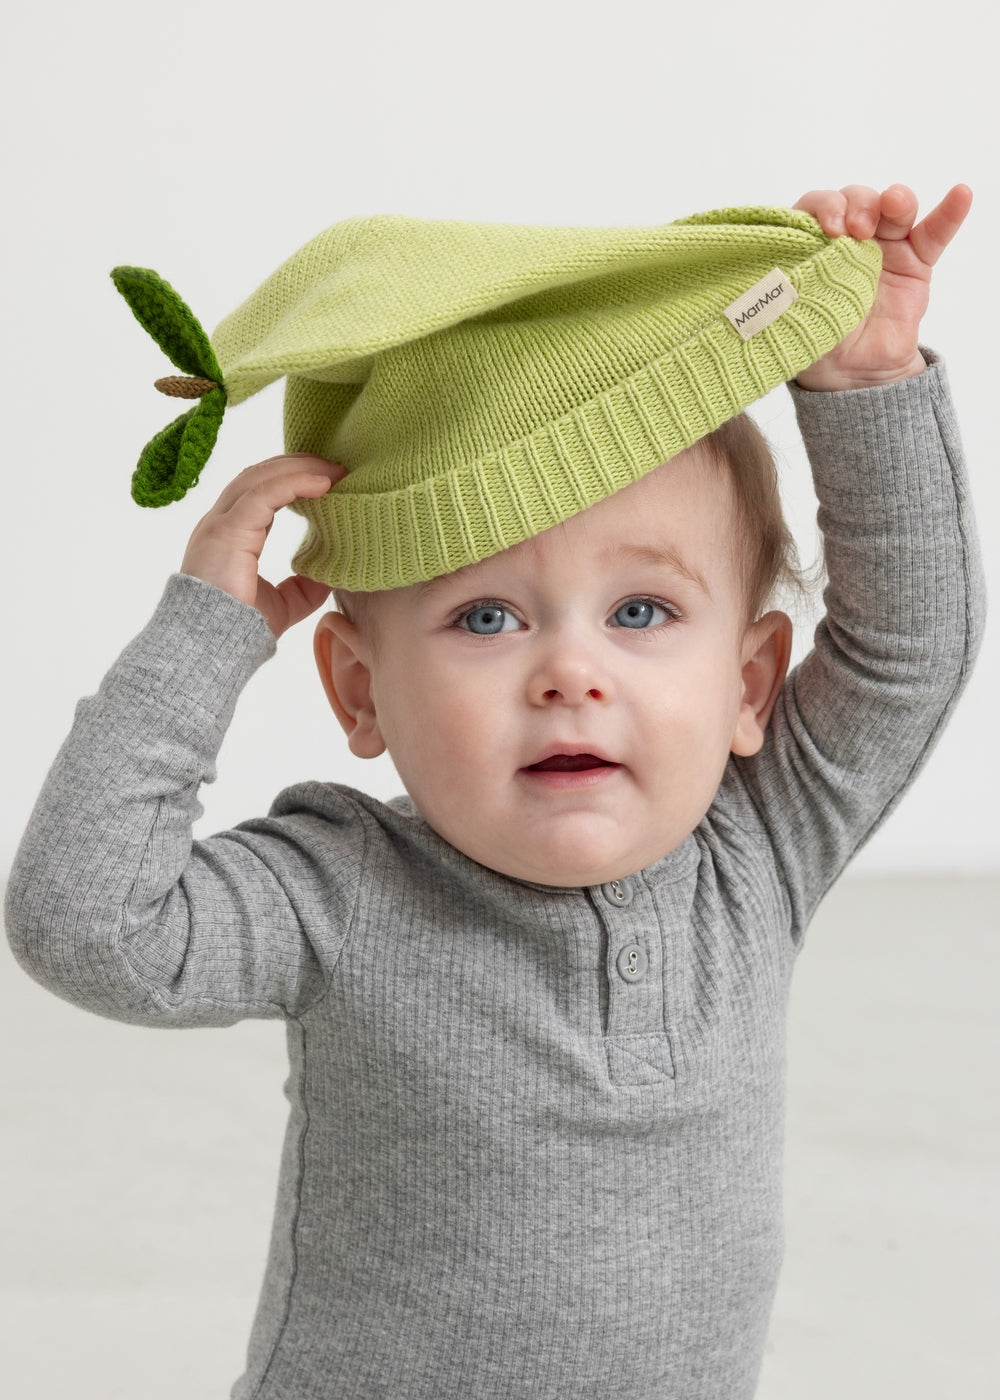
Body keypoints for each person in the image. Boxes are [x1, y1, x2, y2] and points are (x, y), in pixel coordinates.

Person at [5, 184, 984, 1399]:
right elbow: (86, 922)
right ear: (361, 693)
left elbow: (906, 653)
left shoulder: (759, 851)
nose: (570, 671)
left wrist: (863, 389)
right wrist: (207, 634)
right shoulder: (340, 888)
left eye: (641, 611)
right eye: (484, 616)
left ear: (748, 684)